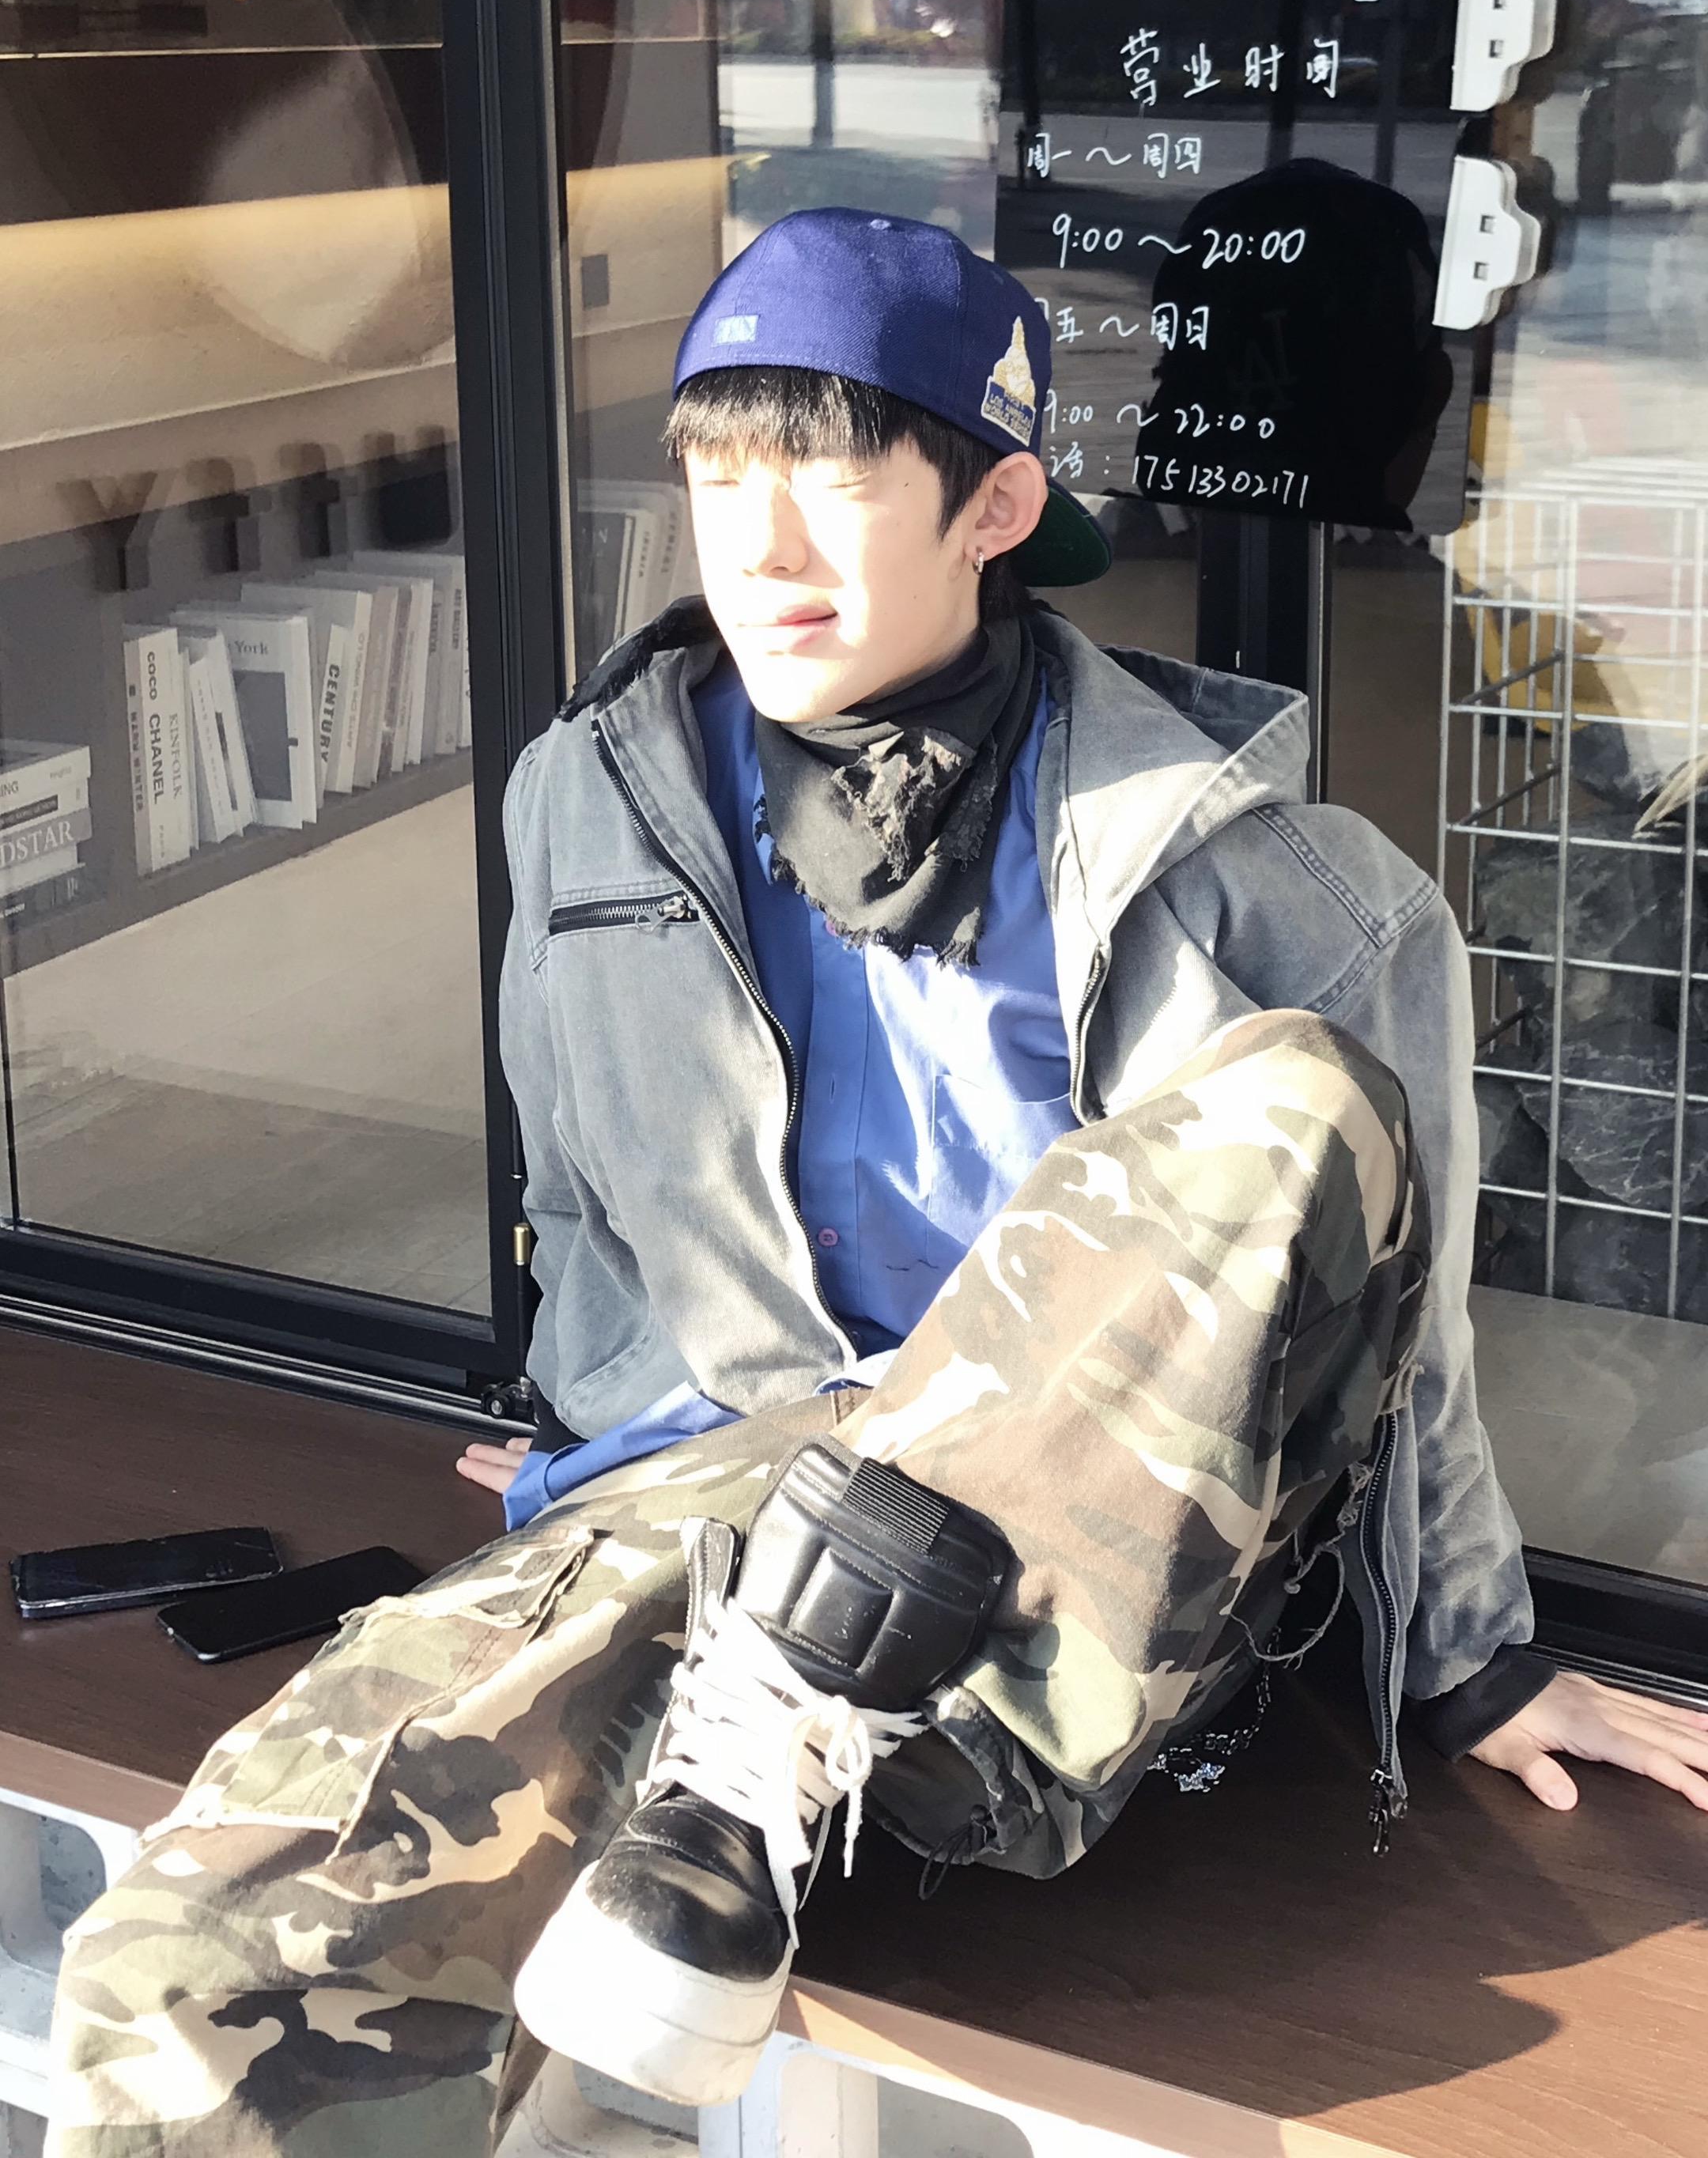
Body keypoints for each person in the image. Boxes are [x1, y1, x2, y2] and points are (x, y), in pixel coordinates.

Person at [49, 210, 1708, 2156]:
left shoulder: (1279, 890)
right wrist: (587, 1426)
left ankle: (755, 1782)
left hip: (1035, 1573)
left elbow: (1395, 1335)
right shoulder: (591, 796)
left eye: (832, 483)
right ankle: (711, 1828)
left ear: (997, 505)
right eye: (716, 479)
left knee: (1291, 1106)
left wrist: (1475, 1662)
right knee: (191, 1970)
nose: (760, 551)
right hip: (711, 1502)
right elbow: (576, 1192)